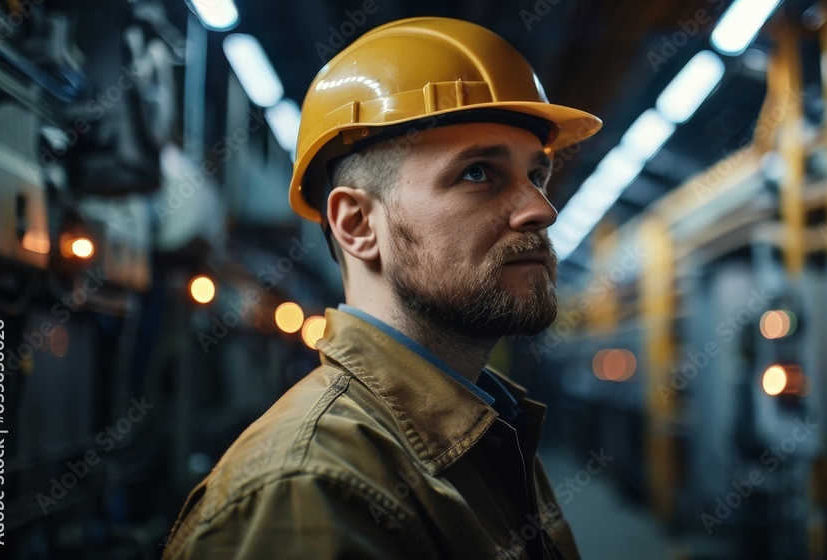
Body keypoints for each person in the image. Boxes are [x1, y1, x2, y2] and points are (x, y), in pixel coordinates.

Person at [162, 16, 601, 560]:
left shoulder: (492, 429)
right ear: (357, 225)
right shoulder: (309, 490)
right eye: (478, 173)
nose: (542, 209)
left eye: (536, 176)